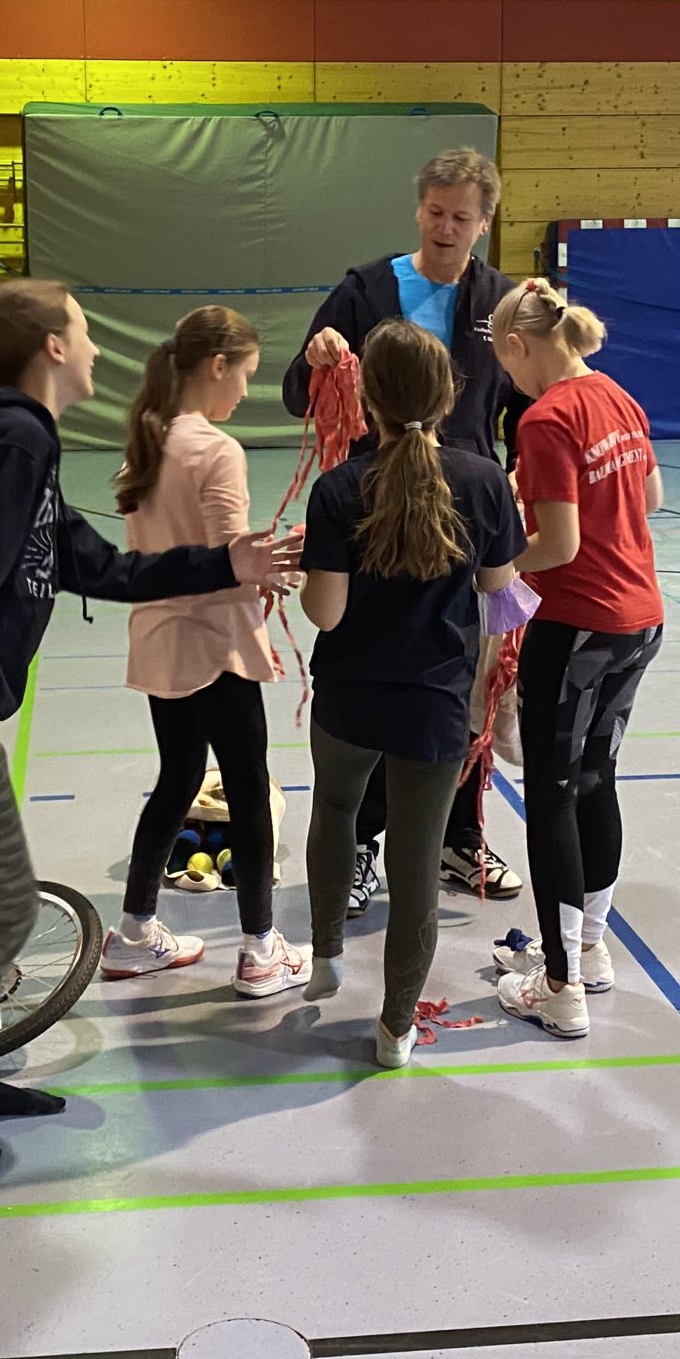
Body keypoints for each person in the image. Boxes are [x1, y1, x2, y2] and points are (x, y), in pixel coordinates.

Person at [0, 279, 298, 1175]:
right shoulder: (11, 439)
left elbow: (98, 568)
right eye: (86, 332)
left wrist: (227, 560)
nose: (97, 348)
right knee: (4, 911)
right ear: (53, 347)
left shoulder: (20, 440)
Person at [284, 147, 526, 910]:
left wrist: (526, 477)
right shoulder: (366, 290)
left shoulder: (503, 301)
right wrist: (318, 359)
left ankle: (459, 836)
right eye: (435, 212)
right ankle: (362, 843)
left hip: (468, 515)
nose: (446, 227)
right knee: (381, 679)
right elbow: (298, 393)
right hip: (380, 517)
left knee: (467, 686)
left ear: (485, 222)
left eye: (462, 217)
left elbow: (529, 400)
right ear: (418, 209)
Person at [299, 320, 524, 1068]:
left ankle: (326, 953)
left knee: (336, 810)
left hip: (349, 696)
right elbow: (500, 589)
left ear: (367, 397)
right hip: (435, 702)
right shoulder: (484, 482)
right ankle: (396, 1027)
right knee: (417, 861)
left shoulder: (339, 488)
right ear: (449, 395)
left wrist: (313, 571)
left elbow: (326, 614)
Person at [102, 306, 312, 998]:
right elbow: (229, 560)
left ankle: (135, 934)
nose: (246, 391)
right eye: (245, 374)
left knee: (178, 776)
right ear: (217, 366)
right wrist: (281, 568)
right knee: (248, 785)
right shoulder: (216, 450)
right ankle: (260, 951)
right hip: (214, 643)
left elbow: (192, 554)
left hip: (161, 641)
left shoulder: (147, 441)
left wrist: (260, 565)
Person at [483, 280, 664, 1042]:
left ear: (518, 346)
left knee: (552, 796)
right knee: (596, 780)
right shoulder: (617, 396)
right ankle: (590, 951)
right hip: (640, 621)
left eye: (507, 366)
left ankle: (559, 988)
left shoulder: (546, 417)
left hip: (578, 627)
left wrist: (494, 568)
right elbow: (650, 497)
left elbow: (557, 547)